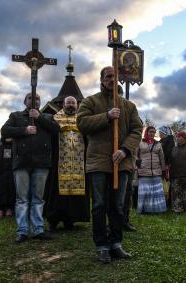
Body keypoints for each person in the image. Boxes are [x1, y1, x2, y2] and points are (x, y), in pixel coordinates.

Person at [77, 66, 143, 263]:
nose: (112, 79)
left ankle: (116, 243)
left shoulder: (129, 106)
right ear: (102, 79)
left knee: (118, 205)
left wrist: (124, 150)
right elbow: (81, 123)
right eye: (108, 76)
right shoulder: (90, 101)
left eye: (115, 76)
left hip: (121, 163)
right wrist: (106, 116)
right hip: (98, 162)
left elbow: (137, 129)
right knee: (99, 205)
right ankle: (102, 246)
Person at [1, 93, 60, 243]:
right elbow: (5, 131)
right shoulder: (16, 116)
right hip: (22, 162)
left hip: (41, 163)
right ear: (25, 101)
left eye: (37, 99)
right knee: (22, 198)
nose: (34, 101)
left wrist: (39, 117)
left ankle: (38, 229)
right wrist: (24, 130)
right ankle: (22, 230)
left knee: (38, 198)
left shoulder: (47, 117)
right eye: (31, 98)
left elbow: (56, 130)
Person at [44, 96, 90, 232]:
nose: (70, 105)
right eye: (68, 103)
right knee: (56, 191)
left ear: (77, 106)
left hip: (79, 161)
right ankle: (53, 220)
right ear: (63, 105)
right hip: (59, 162)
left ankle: (71, 219)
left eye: (73, 103)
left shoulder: (82, 120)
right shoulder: (55, 119)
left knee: (76, 192)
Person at [136, 126, 167, 214]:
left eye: (154, 132)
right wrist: (138, 164)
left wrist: (163, 170)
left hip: (156, 171)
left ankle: (157, 210)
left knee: (156, 192)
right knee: (145, 192)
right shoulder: (140, 142)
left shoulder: (158, 144)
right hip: (144, 171)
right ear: (146, 132)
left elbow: (162, 158)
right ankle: (144, 210)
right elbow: (135, 154)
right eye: (150, 132)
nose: (152, 133)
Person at [0, 138, 15, 218]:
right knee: (0, 191)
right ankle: (0, 209)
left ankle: (9, 209)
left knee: (11, 190)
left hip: (12, 174)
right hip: (0, 173)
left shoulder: (15, 145)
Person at [159, 125, 174, 206]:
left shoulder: (169, 141)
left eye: (160, 132)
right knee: (163, 184)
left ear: (164, 132)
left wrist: (166, 164)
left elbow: (168, 153)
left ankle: (167, 202)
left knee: (166, 184)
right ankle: (163, 201)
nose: (159, 133)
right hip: (162, 165)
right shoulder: (162, 141)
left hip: (166, 166)